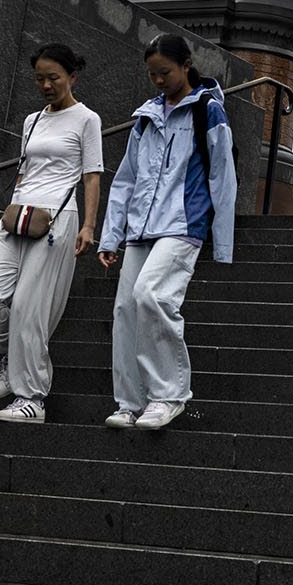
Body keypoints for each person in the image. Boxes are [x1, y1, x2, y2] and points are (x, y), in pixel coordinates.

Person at [98, 34, 236, 430]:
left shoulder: (207, 111)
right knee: (125, 309)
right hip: (141, 227)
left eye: (165, 72)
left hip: (183, 223)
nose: (158, 80)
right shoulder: (146, 116)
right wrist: (112, 236)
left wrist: (222, 242)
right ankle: (129, 401)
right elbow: (126, 178)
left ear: (187, 65)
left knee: (151, 295)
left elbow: (222, 176)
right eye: (152, 74)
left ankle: (169, 395)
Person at [0, 43, 103, 423]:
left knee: (29, 307)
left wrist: (89, 225)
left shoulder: (87, 119)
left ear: (72, 76)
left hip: (57, 219)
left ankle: (32, 399)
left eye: (53, 78)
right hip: (17, 215)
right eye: (39, 78)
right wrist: (15, 206)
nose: (45, 85)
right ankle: (12, 355)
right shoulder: (32, 120)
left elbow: (91, 175)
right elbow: (26, 169)